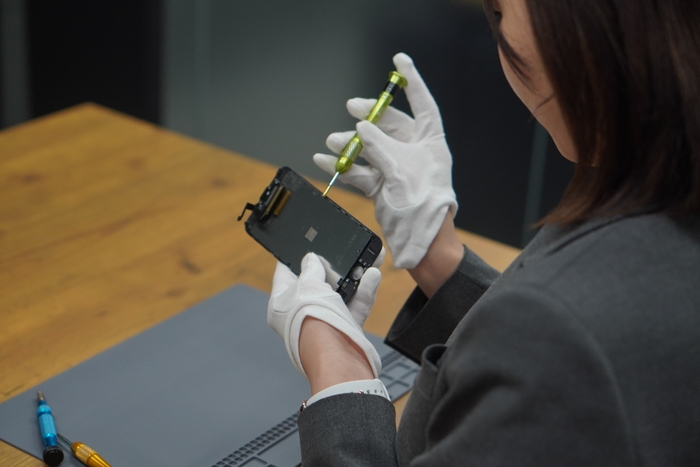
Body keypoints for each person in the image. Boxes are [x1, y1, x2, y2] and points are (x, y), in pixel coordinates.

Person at [266, 0, 700, 465]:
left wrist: (338, 368)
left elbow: (562, 343)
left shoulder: (560, 327)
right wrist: (439, 258)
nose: (497, 33)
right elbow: (553, 365)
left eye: (499, 12)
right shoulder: (660, 194)